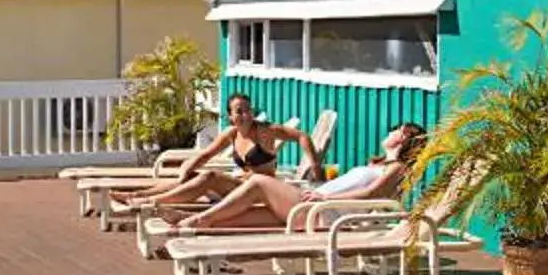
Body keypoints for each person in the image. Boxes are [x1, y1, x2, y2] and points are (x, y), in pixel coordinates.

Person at [174, 123, 429, 237]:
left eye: (398, 130)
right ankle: (188, 223)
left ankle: (197, 217)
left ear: (405, 140)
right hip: (314, 206)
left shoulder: (399, 167)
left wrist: (325, 196)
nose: (392, 131)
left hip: (322, 213)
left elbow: (374, 195)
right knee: (231, 220)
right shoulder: (379, 164)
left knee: (258, 183)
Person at [118, 93, 305, 215]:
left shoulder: (266, 131)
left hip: (257, 192)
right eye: (239, 111)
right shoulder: (231, 134)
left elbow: (302, 137)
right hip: (240, 185)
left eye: (248, 110)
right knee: (192, 176)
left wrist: (315, 166)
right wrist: (186, 170)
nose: (245, 115)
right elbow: (205, 155)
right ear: (230, 116)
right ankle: (137, 194)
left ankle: (148, 201)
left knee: (209, 176)